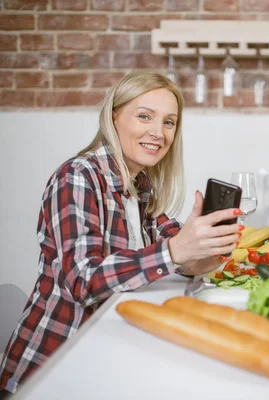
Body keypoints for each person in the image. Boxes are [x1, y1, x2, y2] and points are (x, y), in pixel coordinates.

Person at [0, 71, 242, 396]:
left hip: (104, 357)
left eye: (169, 122)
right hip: (50, 370)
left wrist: (205, 249)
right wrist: (174, 251)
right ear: (114, 117)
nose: (158, 133)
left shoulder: (141, 187)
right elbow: (82, 281)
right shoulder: (78, 177)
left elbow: (180, 255)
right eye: (145, 116)